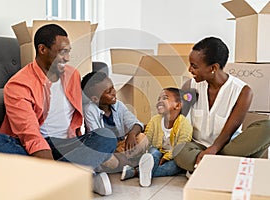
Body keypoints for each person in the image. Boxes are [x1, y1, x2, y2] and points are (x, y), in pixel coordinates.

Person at [0, 24, 117, 196]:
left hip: (66, 145)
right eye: (62, 52)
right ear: (42, 49)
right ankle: (77, 176)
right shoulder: (18, 84)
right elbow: (30, 134)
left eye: (68, 52)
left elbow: (82, 117)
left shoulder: (72, 75)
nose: (67, 58)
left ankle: (40, 180)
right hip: (31, 147)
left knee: (106, 138)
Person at [173, 36, 270, 174]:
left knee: (267, 128)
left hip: (228, 146)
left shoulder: (243, 92)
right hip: (196, 147)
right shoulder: (189, 86)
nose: (190, 70)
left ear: (213, 68)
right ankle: (227, 168)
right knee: (179, 151)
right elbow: (180, 121)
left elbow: (230, 131)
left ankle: (206, 169)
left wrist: (213, 150)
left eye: (194, 66)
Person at [121, 87, 196, 187]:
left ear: (177, 105)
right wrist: (136, 149)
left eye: (164, 98)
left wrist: (167, 157)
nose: (160, 101)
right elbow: (147, 139)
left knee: (173, 167)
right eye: (158, 99)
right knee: (153, 152)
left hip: (173, 156)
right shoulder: (155, 120)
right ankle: (144, 169)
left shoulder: (184, 124)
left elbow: (182, 146)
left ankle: (136, 172)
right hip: (157, 152)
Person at [81, 71, 149, 172]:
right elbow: (98, 140)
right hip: (105, 149)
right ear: (95, 99)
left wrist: (132, 134)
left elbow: (136, 123)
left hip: (120, 146)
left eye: (112, 87)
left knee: (142, 138)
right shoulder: (90, 110)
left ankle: (125, 166)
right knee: (108, 158)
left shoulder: (118, 105)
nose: (114, 92)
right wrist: (119, 156)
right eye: (108, 92)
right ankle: (130, 166)